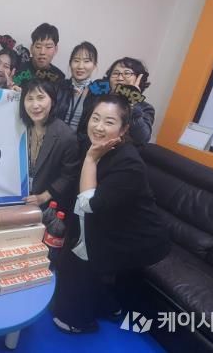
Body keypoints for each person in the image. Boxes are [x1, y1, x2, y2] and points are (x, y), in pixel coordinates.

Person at [52, 94, 170, 334]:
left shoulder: (128, 163)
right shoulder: (93, 145)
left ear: (123, 129)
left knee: (79, 261)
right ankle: (107, 306)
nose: (99, 127)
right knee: (70, 253)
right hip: (110, 224)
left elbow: (88, 204)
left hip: (136, 238)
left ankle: (79, 321)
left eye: (109, 122)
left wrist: (90, 160)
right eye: (95, 118)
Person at [19, 79, 81, 211]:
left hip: (48, 204)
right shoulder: (19, 128)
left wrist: (44, 197)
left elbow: (69, 175)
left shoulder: (66, 136)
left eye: (40, 98)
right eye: (29, 99)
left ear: (52, 101)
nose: (35, 105)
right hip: (18, 199)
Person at [76, 57, 154, 150]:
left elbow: (142, 139)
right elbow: (83, 127)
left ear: (138, 79)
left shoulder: (145, 108)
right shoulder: (99, 98)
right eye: (115, 73)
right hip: (88, 148)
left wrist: (132, 100)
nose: (120, 78)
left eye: (127, 73)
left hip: (120, 155)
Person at [55, 41, 98, 131]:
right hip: (54, 137)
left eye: (86, 61)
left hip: (81, 140)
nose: (80, 66)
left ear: (94, 65)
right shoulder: (59, 86)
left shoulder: (98, 92)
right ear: (70, 63)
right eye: (76, 61)